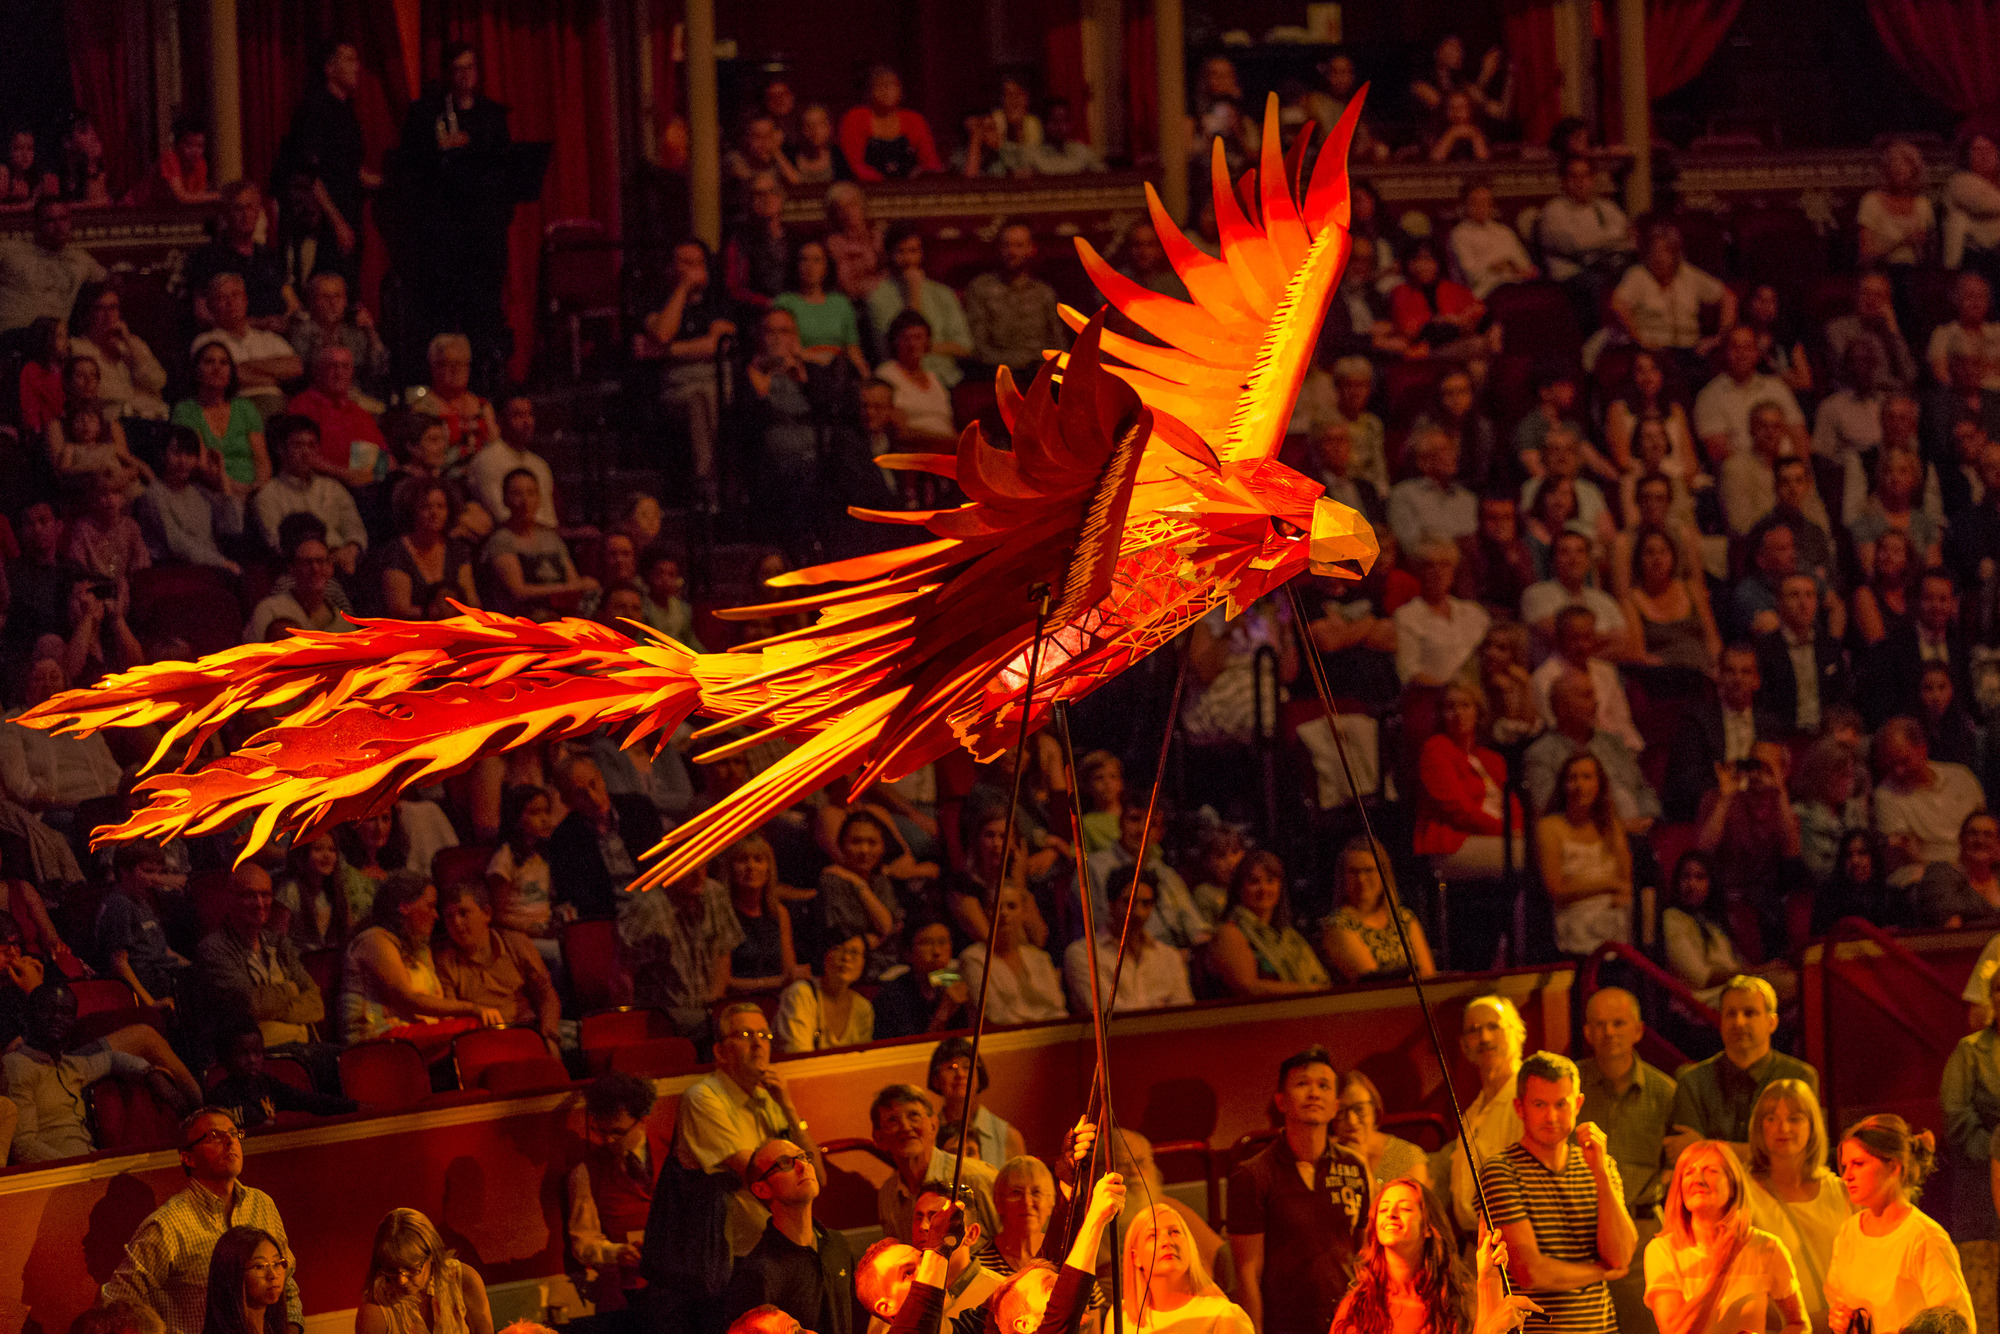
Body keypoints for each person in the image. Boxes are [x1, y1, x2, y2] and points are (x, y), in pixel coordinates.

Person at [102, 1107, 303, 1334]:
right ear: (188, 1158)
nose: (230, 1141)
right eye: (214, 1136)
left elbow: (287, 1282)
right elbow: (116, 1303)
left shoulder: (262, 1204)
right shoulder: (167, 1225)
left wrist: (292, 1328)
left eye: (234, 1133)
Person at [1480, 1050, 1637, 1334]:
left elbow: (1621, 1256)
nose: (1551, 1116)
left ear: (1577, 1104)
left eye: (1561, 1104)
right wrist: (1601, 1272)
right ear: (1519, 1107)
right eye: (1540, 1104)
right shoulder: (1501, 1171)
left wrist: (1600, 1174)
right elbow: (1530, 1272)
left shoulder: (1599, 1163)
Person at [1227, 1043, 1373, 1334]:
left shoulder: (1353, 1168)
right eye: (1302, 1084)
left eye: (1324, 1085)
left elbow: (1366, 1255)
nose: (1314, 1093)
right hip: (1284, 1325)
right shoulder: (1252, 1175)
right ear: (1281, 1102)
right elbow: (1247, 1275)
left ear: (1335, 1106)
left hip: (1349, 1321)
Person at [7, 980, 200, 1163]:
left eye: (65, 1013)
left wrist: (150, 1074)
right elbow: (23, 1147)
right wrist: (77, 1169)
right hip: (59, 1179)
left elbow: (111, 1059)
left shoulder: (71, 1066)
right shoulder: (18, 1066)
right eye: (48, 1010)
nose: (57, 1018)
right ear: (28, 1016)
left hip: (90, 1166)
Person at [1577, 987, 1675, 1330]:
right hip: (1580, 1235)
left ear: (1638, 1030)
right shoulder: (1569, 1089)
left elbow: (1676, 1164)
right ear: (1587, 1033)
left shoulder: (1665, 1092)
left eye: (1619, 1023)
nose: (1609, 1032)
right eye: (1600, 1024)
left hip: (1644, 1234)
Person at [1826, 1115, 1975, 1332]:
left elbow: (1957, 1323)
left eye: (1858, 1164)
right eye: (1845, 1165)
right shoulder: (1848, 1233)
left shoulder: (1923, 1238)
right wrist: (1840, 1319)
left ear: (1893, 1167)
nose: (1847, 1175)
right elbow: (1839, 1302)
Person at [1642, 1141, 1808, 1334]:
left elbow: (1799, 1324)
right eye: (1688, 1173)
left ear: (1733, 1186)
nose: (1698, 1179)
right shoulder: (1662, 1251)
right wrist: (1720, 1268)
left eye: (1710, 1171)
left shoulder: (1767, 1247)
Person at [1331, 1182, 1536, 1334]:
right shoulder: (1356, 1308)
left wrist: (1489, 1279)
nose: (1391, 1213)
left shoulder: (1458, 1300)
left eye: (1405, 1208)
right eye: (1383, 1209)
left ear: (1428, 1228)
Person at [339, 870, 502, 1053]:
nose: (436, 915)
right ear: (405, 907)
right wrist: (473, 1008)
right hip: (377, 1040)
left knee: (481, 1032)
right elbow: (409, 999)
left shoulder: (420, 948)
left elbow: (435, 1002)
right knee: (472, 1028)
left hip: (411, 1035)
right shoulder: (375, 940)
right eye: (430, 906)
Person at [1666, 976, 1818, 1162]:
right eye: (1730, 1014)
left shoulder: (1798, 1078)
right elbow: (1688, 1159)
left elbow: (1800, 1155)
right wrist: (1765, 1153)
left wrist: (1707, 1147)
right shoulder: (1692, 1081)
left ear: (1772, 1022)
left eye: (1749, 1013)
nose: (1739, 1022)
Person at [718, 1136, 856, 1334]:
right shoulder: (758, 1273)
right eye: (784, 1164)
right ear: (762, 1189)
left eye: (804, 1157)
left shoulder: (836, 1243)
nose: (803, 1166)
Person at [1744, 1080, 1850, 1334]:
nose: (1783, 1128)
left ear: (1813, 1125)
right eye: (1771, 1118)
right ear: (1759, 1127)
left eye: (1795, 1118)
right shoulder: (1744, 1196)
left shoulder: (1840, 1192)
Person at [567, 1073, 667, 1331]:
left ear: (642, 1122)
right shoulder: (585, 1172)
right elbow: (584, 1242)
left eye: (617, 1132)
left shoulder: (673, 1154)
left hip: (677, 1283)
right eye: (600, 1131)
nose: (608, 1140)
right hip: (627, 1295)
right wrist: (616, 1252)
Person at [195, 864, 325, 1052]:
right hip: (254, 1057)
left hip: (303, 1046)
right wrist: (291, 989)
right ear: (231, 898)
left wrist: (270, 1011)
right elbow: (250, 1006)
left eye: (266, 895)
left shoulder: (278, 943)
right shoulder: (214, 949)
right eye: (249, 895)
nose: (259, 903)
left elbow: (316, 1005)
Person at [434, 880, 560, 1054]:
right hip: (481, 1040)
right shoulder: (446, 961)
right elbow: (452, 1015)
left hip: (528, 1029)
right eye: (449, 916)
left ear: (486, 913)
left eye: (463, 913)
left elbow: (546, 994)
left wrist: (549, 1036)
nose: (456, 923)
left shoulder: (515, 943)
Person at [617, 869, 742, 1040]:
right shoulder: (647, 907)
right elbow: (623, 974)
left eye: (702, 865)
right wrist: (632, 1026)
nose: (698, 874)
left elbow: (723, 951)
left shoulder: (715, 894)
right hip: (664, 1018)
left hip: (708, 1011)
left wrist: (716, 1002)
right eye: (689, 869)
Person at [869, 1082, 1000, 1244]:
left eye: (913, 1116)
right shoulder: (888, 1195)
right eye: (892, 1120)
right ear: (879, 1139)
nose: (905, 1127)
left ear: (934, 1125)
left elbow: (1017, 1245)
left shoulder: (976, 1177)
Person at [1537, 752, 1633, 959]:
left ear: (1600, 784)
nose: (1580, 785)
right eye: (1573, 778)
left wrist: (1616, 890)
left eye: (1587, 777)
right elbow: (1557, 889)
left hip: (1612, 919)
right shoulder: (1550, 827)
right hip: (1573, 922)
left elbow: (1625, 883)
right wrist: (1608, 884)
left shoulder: (1611, 826)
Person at [547, 754, 666, 920]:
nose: (593, 798)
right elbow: (581, 900)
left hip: (657, 900)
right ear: (568, 802)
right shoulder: (565, 840)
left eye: (593, 784)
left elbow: (660, 863)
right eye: (581, 794)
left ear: (601, 778)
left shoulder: (639, 809)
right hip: (612, 917)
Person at [1064, 865, 1194, 1014]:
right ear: (1110, 904)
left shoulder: (1169, 956)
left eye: (1146, 904)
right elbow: (1107, 1014)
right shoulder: (1084, 955)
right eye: (1129, 902)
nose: (1137, 912)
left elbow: (1184, 1013)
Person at [1873, 716, 1986, 886]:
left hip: (1977, 866)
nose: (1898, 771)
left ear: (1922, 749)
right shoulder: (1887, 794)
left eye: (1904, 761)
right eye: (1892, 764)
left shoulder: (1961, 776)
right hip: (1931, 876)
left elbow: (1985, 827)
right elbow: (1908, 854)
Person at [1610, 224, 1735, 372]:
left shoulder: (1688, 275)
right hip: (1655, 350)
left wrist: (1720, 338)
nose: (1659, 257)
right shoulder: (1638, 275)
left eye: (1665, 251)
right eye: (1654, 251)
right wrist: (1639, 339)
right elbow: (1618, 304)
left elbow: (1728, 296)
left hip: (1690, 350)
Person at [1451, 995, 1527, 1234]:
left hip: (1515, 1247)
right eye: (1474, 1030)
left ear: (1516, 1033)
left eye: (1494, 1026)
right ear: (1463, 1045)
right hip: (1480, 1248)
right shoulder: (1473, 1111)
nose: (1484, 1038)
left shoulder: (1529, 1100)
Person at [251, 415, 366, 571]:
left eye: (312, 445)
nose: (306, 452)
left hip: (342, 563)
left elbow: (355, 529)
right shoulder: (268, 495)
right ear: (281, 450)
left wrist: (351, 550)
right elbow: (276, 543)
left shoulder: (333, 488)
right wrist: (324, 559)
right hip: (301, 570)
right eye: (298, 445)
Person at [356, 1207, 494, 1334]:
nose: (401, 1280)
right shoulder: (374, 1309)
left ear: (431, 1255)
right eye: (391, 1270)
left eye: (410, 1269)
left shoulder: (465, 1280)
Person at [1209, 851, 1328, 997]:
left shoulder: (1289, 936)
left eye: (1270, 881)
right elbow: (1248, 987)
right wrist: (1308, 991)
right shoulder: (1229, 933)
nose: (1264, 889)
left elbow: (1322, 982)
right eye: (1254, 881)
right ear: (1239, 888)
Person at [1122, 1200, 1252, 1334]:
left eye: (1175, 1232)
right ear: (1135, 1257)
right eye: (1152, 1235)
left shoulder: (1224, 1316)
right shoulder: (1121, 1317)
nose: (1167, 1242)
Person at [481, 469, 595, 620]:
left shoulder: (551, 539)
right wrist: (570, 588)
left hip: (560, 618)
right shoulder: (501, 540)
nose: (525, 501)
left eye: (531, 493)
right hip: (521, 621)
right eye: (517, 494)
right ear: (505, 499)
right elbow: (519, 591)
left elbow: (573, 580)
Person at [1321, 834, 1437, 981]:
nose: (1361, 879)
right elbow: (1373, 980)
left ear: (1384, 873)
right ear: (1343, 877)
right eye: (1354, 872)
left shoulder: (1404, 918)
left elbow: (1428, 973)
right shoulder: (1338, 924)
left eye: (1368, 870)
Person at [96, 838, 193, 1013]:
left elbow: (165, 951)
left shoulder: (140, 901)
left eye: (158, 872)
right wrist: (149, 1003)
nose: (156, 879)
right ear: (124, 871)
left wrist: (197, 969)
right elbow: (119, 963)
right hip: (152, 986)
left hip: (169, 975)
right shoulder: (119, 904)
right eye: (148, 871)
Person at [191, 272, 302, 422]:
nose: (230, 302)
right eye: (222, 297)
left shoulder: (268, 338)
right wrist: (274, 377)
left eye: (235, 295)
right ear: (211, 306)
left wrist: (245, 368)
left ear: (245, 300)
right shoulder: (206, 341)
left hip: (277, 409)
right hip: (233, 410)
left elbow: (295, 367)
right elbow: (230, 377)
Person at [1539, 154, 1634, 327]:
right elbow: (1579, 244)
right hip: (1572, 274)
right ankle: (1598, 340)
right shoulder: (1554, 211)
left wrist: (1604, 239)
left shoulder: (1606, 207)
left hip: (1607, 265)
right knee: (1596, 285)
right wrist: (1613, 236)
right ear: (1563, 181)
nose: (1580, 182)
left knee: (1638, 274)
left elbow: (1630, 237)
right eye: (1574, 176)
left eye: (1585, 176)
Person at [867, 229, 971, 386]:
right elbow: (893, 350)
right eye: (901, 252)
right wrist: (913, 294)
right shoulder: (879, 297)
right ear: (889, 255)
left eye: (913, 251)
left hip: (944, 378)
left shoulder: (943, 293)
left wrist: (927, 348)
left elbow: (965, 347)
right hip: (902, 380)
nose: (908, 259)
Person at [965, 222, 1065, 383]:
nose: (1012, 252)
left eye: (1019, 246)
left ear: (1031, 249)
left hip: (1041, 377)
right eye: (1007, 245)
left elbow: (1058, 341)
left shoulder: (1044, 293)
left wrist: (1049, 366)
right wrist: (1017, 363)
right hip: (996, 375)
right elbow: (978, 345)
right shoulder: (981, 288)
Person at [205, 1025, 355, 1131]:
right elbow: (225, 1138)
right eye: (243, 1054)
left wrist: (353, 1107)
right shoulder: (220, 1096)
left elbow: (306, 1099)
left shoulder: (266, 1083)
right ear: (225, 1060)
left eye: (257, 1053)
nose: (252, 1060)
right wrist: (258, 1130)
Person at [173, 340, 269, 501]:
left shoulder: (245, 409)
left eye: (224, 362)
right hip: (209, 489)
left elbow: (262, 460)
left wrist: (257, 488)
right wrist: (233, 488)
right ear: (197, 370)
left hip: (253, 491)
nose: (217, 367)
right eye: (209, 362)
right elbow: (200, 465)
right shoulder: (186, 410)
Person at [957, 884, 1066, 1024]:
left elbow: (1057, 1006)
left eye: (1011, 906)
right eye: (996, 907)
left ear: (1023, 912)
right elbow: (994, 1016)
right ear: (985, 913)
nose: (1003, 913)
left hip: (1051, 1037)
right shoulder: (973, 958)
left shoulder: (1040, 957)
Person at [0, 198, 106, 334]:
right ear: (37, 225)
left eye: (64, 219)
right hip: (13, 337)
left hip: (55, 342)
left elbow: (111, 282)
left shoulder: (81, 260)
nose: (59, 226)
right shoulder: (10, 251)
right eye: (50, 220)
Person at [286, 344, 385, 488]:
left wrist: (367, 475)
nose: (339, 373)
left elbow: (385, 460)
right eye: (332, 366)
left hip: (365, 487)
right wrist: (346, 474)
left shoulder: (359, 414)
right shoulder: (302, 406)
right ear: (317, 371)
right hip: (320, 484)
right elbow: (302, 456)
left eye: (345, 367)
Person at [928, 1035, 1025, 1167]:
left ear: (979, 1076)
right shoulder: (928, 1134)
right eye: (952, 1067)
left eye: (967, 1066)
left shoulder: (1007, 1136)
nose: (960, 1074)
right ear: (936, 1080)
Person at [774, 933, 874, 1052]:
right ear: (825, 955)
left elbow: (863, 1059)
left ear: (863, 963)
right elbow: (798, 1055)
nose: (846, 958)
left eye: (854, 952)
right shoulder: (801, 994)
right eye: (838, 949)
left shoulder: (863, 1008)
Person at [1332, 1069, 1430, 1190]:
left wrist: (1362, 1167)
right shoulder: (1325, 1156)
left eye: (1360, 1109)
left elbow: (1404, 1206)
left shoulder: (1408, 1157)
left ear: (1374, 1109)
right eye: (1341, 1112)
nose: (1351, 1120)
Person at [873, 921, 972, 1040]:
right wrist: (943, 1013)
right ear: (908, 953)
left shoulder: (950, 980)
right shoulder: (892, 996)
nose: (937, 952)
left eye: (942, 942)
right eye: (927, 943)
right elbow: (910, 1050)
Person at [840, 66, 942, 181]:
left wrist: (923, 175)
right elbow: (854, 164)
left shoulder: (914, 120)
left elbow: (930, 161)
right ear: (869, 91)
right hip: (868, 188)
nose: (886, 90)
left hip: (910, 188)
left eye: (892, 85)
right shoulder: (856, 118)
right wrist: (884, 183)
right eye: (880, 85)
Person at [1388, 426, 1478, 554]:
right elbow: (1410, 545)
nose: (1452, 455)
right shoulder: (1405, 495)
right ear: (1423, 461)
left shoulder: (1467, 499)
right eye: (1443, 450)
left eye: (1452, 449)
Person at [1449, 181, 1537, 300]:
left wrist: (1516, 269)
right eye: (1475, 203)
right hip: (1485, 292)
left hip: (1517, 286)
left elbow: (1525, 266)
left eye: (1486, 202)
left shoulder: (1504, 232)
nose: (1481, 207)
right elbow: (1470, 275)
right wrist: (1494, 266)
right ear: (1465, 205)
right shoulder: (1460, 234)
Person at [195, 1225, 290, 1334]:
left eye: (277, 1263)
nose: (273, 1275)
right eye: (259, 1266)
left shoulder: (272, 1327)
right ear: (234, 1274)